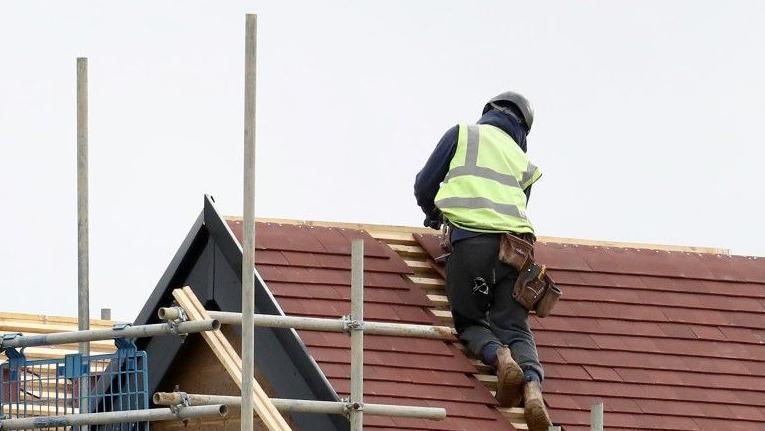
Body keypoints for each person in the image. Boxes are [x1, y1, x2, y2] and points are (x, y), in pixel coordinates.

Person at [414, 91, 552, 430]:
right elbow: (517, 208)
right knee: (515, 326)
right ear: (522, 129)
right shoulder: (524, 162)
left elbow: (423, 186)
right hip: (517, 250)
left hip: (472, 242)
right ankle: (533, 388)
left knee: (471, 320)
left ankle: (499, 358)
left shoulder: (463, 134)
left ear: (489, 112)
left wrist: (434, 214)